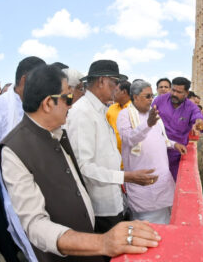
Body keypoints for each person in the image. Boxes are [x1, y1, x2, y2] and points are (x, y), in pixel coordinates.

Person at [0, 64, 160, 261]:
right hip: (67, 252)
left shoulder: (59, 133)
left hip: (87, 234)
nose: (72, 103)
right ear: (48, 103)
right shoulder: (14, 150)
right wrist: (102, 242)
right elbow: (35, 225)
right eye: (67, 97)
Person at [66, 60, 159, 234]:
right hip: (100, 207)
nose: (117, 87)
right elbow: (83, 167)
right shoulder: (82, 113)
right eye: (114, 82)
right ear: (101, 81)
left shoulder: (100, 110)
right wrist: (126, 176)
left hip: (113, 200)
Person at [0, 56, 46, 261]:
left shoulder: (41, 101)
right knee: (33, 244)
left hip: (46, 183)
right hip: (17, 190)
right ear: (24, 80)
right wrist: (15, 158)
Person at [117, 80, 186, 224]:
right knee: (148, 228)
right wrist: (147, 124)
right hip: (144, 185)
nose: (151, 99)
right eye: (147, 96)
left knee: (167, 224)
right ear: (135, 97)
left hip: (163, 180)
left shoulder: (153, 114)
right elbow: (129, 139)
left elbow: (160, 138)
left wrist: (174, 144)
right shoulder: (125, 115)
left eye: (151, 96)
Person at [152, 77, 203, 181]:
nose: (174, 94)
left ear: (186, 93)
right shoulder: (160, 100)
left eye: (179, 92)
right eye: (173, 90)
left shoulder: (191, 107)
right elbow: (148, 117)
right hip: (157, 150)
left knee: (174, 185)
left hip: (176, 154)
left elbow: (200, 119)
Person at [106, 80, 131, 155]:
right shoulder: (111, 109)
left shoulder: (135, 109)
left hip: (133, 160)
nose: (113, 93)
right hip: (113, 157)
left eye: (116, 90)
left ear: (124, 92)